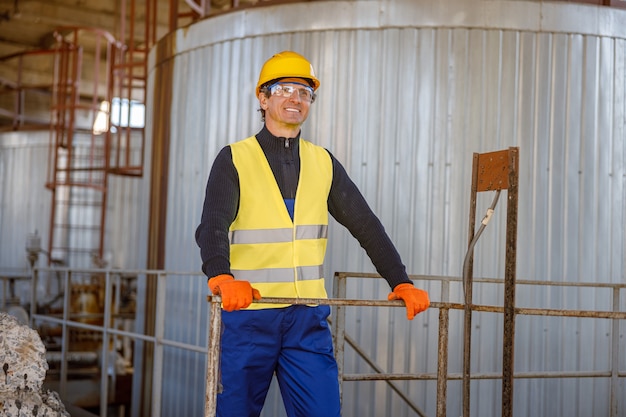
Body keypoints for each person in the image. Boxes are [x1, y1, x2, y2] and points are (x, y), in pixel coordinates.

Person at [195, 50, 430, 417]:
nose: (295, 98)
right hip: (250, 317)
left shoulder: (323, 162)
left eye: (304, 92)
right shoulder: (234, 159)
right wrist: (221, 276)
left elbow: (365, 224)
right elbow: (212, 225)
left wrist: (400, 280)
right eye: (285, 89)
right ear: (263, 97)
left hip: (307, 321)